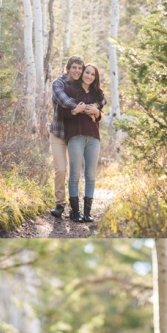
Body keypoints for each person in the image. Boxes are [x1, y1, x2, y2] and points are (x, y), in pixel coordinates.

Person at [65, 61, 105, 221]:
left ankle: (87, 213)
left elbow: (99, 116)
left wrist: (97, 113)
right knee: (74, 174)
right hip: (76, 136)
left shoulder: (99, 95)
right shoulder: (71, 89)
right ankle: (76, 213)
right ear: (82, 73)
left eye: (92, 74)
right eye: (87, 72)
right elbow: (63, 113)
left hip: (94, 138)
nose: (89, 76)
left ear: (95, 78)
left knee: (90, 175)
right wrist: (76, 111)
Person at [50, 55, 86, 218]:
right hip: (58, 133)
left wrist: (96, 106)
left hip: (74, 134)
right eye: (74, 67)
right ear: (68, 68)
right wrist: (83, 106)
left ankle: (75, 206)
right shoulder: (58, 83)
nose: (77, 71)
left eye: (80, 68)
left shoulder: (84, 85)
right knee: (61, 169)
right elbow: (64, 101)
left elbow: (100, 96)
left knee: (75, 171)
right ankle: (59, 204)